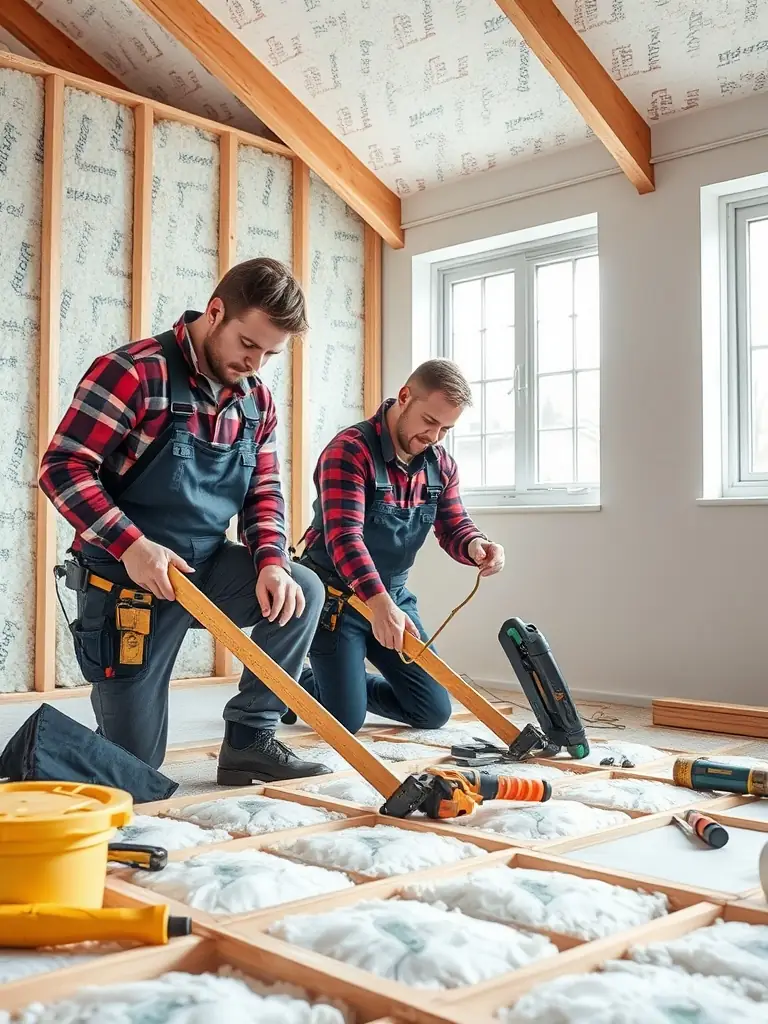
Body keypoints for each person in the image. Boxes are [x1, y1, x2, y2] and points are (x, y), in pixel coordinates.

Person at [39, 258, 332, 784]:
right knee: (134, 771)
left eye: (270, 353)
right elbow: (62, 467)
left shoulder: (256, 400)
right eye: (248, 344)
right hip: (126, 579)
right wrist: (132, 544)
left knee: (301, 586)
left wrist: (271, 563)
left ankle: (249, 740)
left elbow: (263, 491)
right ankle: (34, 759)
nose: (257, 363)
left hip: (204, 568)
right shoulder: (133, 372)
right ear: (216, 312)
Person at [294, 359, 505, 734]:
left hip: (394, 597)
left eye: (446, 428)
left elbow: (454, 523)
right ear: (404, 397)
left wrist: (476, 544)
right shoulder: (350, 451)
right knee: (345, 720)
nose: (436, 436)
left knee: (433, 711)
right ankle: (292, 683)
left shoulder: (441, 464)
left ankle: (345, 686)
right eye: (429, 422)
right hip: (337, 600)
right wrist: (379, 606)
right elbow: (345, 538)